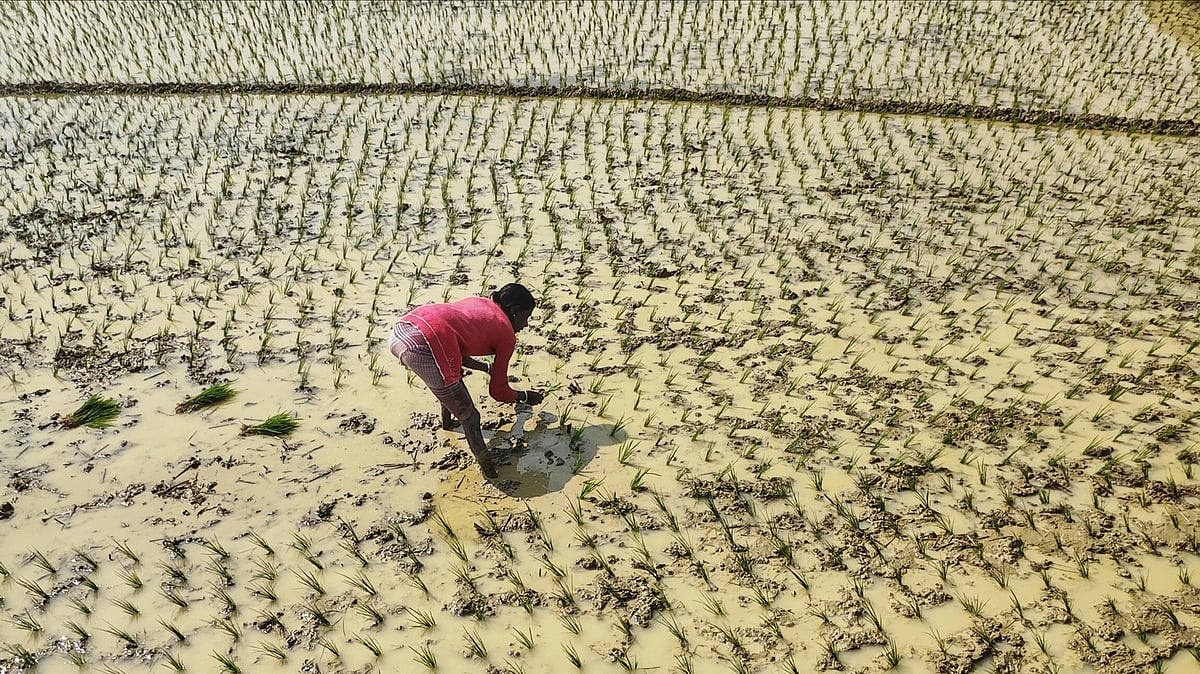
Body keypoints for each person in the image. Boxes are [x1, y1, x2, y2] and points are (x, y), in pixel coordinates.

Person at [389, 283, 545, 478]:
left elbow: (454, 347)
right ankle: (489, 471)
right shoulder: (506, 333)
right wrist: (524, 396)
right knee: (470, 417)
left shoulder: (481, 304)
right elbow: (498, 391)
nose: (526, 325)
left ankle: (448, 426)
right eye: (526, 317)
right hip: (424, 347)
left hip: (404, 329)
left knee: (450, 382)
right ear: (515, 311)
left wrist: (485, 367)